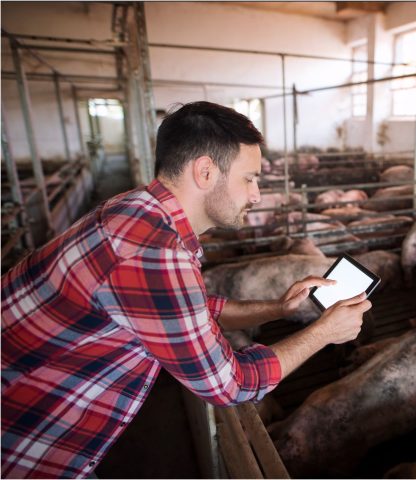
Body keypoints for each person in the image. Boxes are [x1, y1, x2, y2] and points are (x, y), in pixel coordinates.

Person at [1, 101, 372, 478]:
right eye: (249, 178)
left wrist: (277, 308)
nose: (257, 194)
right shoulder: (157, 254)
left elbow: (187, 307)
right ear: (206, 171)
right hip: (27, 447)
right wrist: (325, 331)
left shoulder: (133, 210)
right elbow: (231, 385)